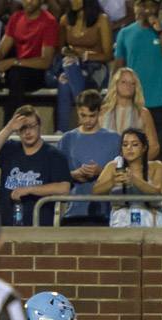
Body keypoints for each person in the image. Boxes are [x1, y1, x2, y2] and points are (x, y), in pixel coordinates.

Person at [0, 105, 71, 226]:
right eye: (23, 128)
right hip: (6, 225)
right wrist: (9, 128)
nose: (27, 132)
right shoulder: (10, 148)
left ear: (40, 126)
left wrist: (30, 189)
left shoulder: (54, 155)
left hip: (38, 227)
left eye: (31, 126)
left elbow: (64, 188)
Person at [0, 0, 58, 131]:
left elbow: (45, 61)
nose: (28, 2)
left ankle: (8, 129)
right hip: (16, 67)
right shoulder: (16, 17)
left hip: (36, 72)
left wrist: (13, 62)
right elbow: (1, 50)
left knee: (15, 74)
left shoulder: (49, 21)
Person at [113, 0, 162, 162]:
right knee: (132, 151)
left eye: (152, 5)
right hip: (135, 104)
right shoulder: (125, 33)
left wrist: (160, 32)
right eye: (142, 5)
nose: (147, 10)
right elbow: (118, 69)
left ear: (159, 7)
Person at [58, 89, 120, 225]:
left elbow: (123, 175)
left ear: (100, 112)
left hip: (107, 214)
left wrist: (101, 172)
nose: (87, 120)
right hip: (74, 212)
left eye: (92, 116)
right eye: (83, 115)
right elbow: (57, 177)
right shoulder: (67, 139)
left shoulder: (115, 139)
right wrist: (75, 174)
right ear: (77, 111)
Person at [53, 0, 111, 131]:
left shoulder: (102, 19)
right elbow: (61, 50)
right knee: (64, 79)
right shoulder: (65, 20)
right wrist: (68, 52)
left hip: (95, 69)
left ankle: (68, 126)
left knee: (67, 73)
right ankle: (63, 132)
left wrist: (83, 54)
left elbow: (107, 55)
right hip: (73, 67)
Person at [92, 126, 162, 224]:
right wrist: (112, 182)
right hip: (121, 220)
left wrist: (134, 180)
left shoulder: (156, 166)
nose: (129, 148)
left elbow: (157, 191)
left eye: (134, 144)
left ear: (144, 147)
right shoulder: (113, 166)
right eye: (125, 145)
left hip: (152, 220)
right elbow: (95, 191)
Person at [99, 66, 159, 160]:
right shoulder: (103, 112)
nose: (128, 86)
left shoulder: (143, 113)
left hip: (133, 167)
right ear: (116, 84)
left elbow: (154, 147)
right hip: (104, 165)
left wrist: (137, 164)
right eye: (124, 82)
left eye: (132, 83)